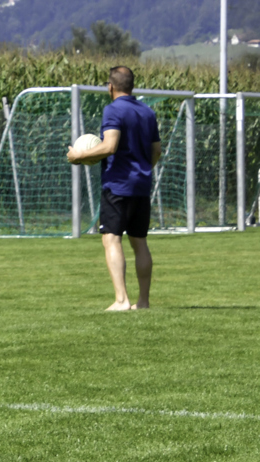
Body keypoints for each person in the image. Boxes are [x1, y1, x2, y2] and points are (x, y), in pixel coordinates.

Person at [66, 66, 162, 311]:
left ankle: (121, 300)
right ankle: (143, 302)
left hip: (118, 185)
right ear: (132, 86)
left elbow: (109, 146)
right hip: (142, 186)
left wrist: (79, 155)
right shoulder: (148, 112)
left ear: (110, 86)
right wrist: (142, 171)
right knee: (139, 242)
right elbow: (156, 151)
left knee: (111, 239)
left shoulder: (113, 110)